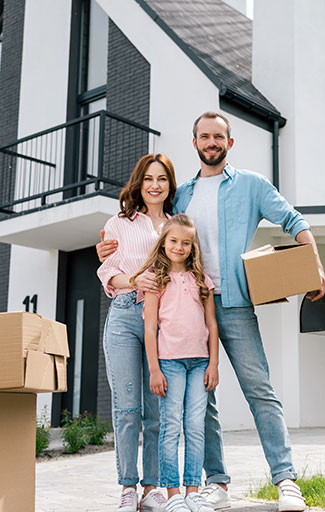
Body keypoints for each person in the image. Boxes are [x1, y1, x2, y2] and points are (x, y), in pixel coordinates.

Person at [98, 112, 325, 512]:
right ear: (195, 143)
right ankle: (215, 482)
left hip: (234, 303)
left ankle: (286, 480)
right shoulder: (181, 196)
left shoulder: (252, 185)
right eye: (204, 136)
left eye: (218, 136)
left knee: (260, 389)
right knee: (201, 400)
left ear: (229, 143)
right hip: (184, 305)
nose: (211, 142)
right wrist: (109, 253)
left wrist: (315, 264)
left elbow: (293, 219)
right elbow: (153, 241)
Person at [97, 153, 177, 512]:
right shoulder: (119, 223)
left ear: (170, 185)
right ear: (138, 184)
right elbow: (106, 272)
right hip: (125, 315)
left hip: (164, 320)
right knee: (127, 409)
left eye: (162, 179)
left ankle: (153, 488)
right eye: (148, 179)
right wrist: (134, 279)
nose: (155, 185)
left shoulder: (178, 226)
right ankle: (128, 488)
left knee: (157, 411)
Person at [132, 214, 219, 512]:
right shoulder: (156, 279)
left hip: (199, 363)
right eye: (173, 241)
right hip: (169, 363)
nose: (179, 247)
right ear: (163, 243)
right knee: (171, 427)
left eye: (186, 243)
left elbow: (212, 324)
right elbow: (150, 328)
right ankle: (172, 495)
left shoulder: (201, 280)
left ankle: (193, 490)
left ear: (193, 246)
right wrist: (154, 369)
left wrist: (214, 364)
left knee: (195, 426)